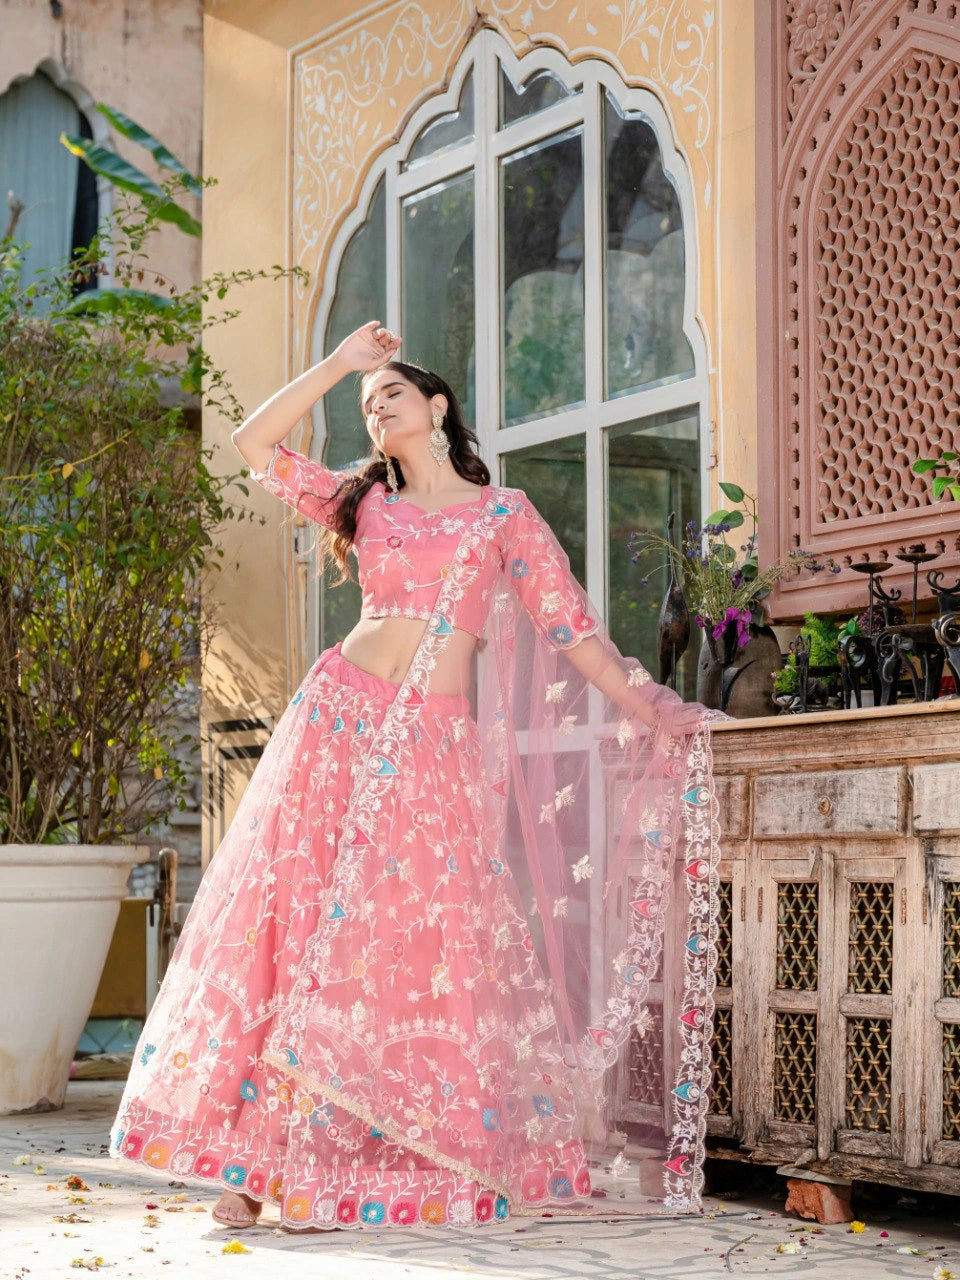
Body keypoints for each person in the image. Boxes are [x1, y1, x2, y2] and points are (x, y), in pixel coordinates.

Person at [110, 320, 724, 1233]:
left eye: (391, 391)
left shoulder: (503, 515)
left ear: (438, 407)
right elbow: (252, 445)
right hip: (338, 722)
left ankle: (350, 1157)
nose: (375, 407)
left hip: (432, 745)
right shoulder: (365, 504)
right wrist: (338, 365)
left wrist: (654, 708)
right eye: (368, 403)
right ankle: (261, 1161)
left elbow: (574, 632)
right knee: (299, 928)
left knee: (405, 950)